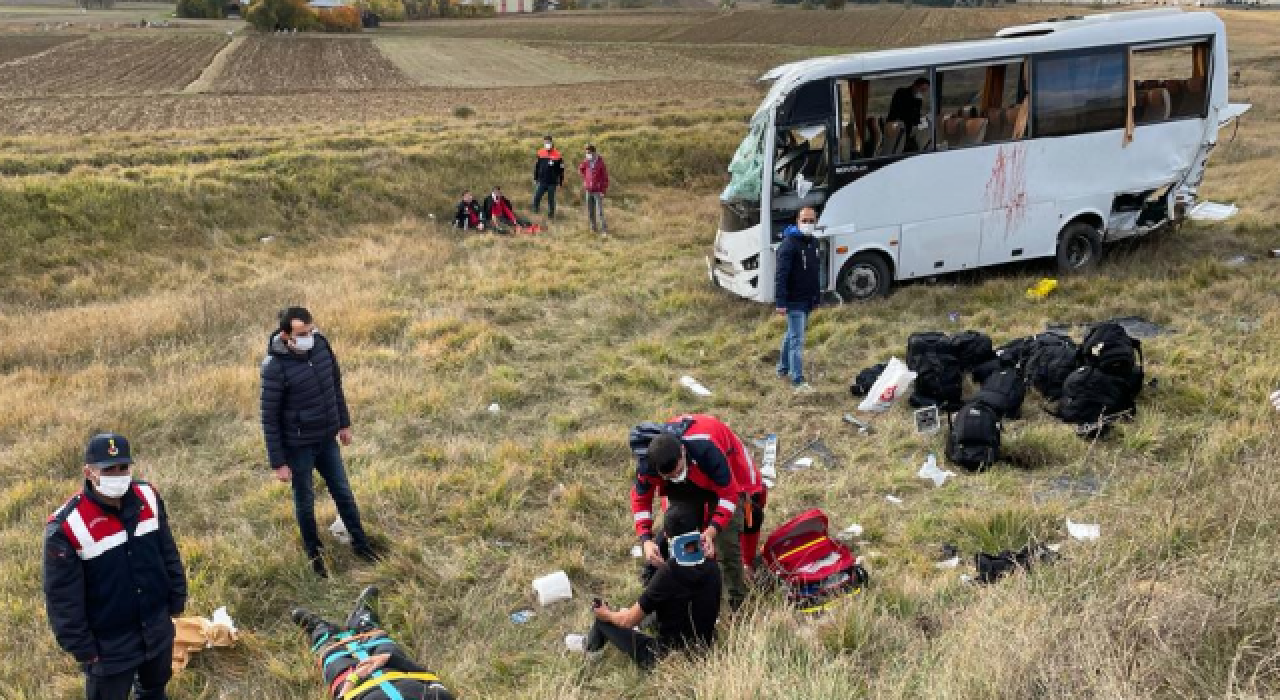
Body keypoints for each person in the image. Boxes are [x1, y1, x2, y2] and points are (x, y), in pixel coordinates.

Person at [43, 433, 188, 700]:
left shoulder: (149, 496)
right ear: (89, 472)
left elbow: (168, 550)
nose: (118, 475)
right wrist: (83, 648)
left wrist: (177, 597)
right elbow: (62, 598)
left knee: (155, 689)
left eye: (123, 467)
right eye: (108, 469)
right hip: (109, 644)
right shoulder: (66, 527)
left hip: (156, 626)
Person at [260, 306, 378, 577]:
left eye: (311, 330)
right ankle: (315, 557)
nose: (309, 337)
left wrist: (343, 424)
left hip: (326, 439)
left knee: (343, 492)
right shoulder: (274, 367)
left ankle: (361, 544)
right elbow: (269, 418)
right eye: (302, 333)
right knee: (305, 502)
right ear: (286, 335)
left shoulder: (321, 346)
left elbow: (334, 385)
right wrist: (278, 462)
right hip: (298, 447)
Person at [630, 414, 767, 611]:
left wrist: (712, 530)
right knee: (677, 521)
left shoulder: (708, 450)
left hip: (722, 472)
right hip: (691, 473)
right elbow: (641, 501)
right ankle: (686, 586)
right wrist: (646, 540)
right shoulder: (648, 467)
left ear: (683, 452)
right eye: (670, 476)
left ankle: (736, 602)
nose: (676, 477)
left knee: (728, 539)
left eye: (678, 471)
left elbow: (728, 497)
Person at [585, 502, 721, 669]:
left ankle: (590, 648)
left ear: (667, 536)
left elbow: (627, 621)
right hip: (703, 651)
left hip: (668, 660)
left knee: (603, 621)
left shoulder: (668, 573)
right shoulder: (713, 567)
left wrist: (607, 615)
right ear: (698, 531)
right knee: (653, 609)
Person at [293, 586, 454, 700]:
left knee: (332, 655)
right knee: (381, 641)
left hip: (354, 684)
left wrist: (352, 680)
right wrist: (388, 659)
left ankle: (319, 629)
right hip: (394, 668)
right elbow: (431, 678)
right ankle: (363, 619)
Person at [775, 207, 823, 393]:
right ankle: (797, 380)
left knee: (791, 335)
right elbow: (781, 275)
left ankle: (782, 368)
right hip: (794, 300)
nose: (808, 224)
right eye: (805, 220)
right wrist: (780, 302)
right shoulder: (788, 245)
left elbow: (814, 273)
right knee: (797, 340)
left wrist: (816, 298)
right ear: (797, 220)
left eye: (811, 221)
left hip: (808, 299)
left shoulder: (814, 243)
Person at [887, 77, 930, 152]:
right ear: (915, 86)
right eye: (922, 90)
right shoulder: (901, 92)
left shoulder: (918, 98)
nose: (923, 92)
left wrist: (922, 119)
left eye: (925, 91)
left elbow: (916, 116)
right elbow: (901, 112)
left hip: (908, 129)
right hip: (896, 127)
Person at [578, 143, 610, 236]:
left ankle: (604, 230)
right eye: (586, 152)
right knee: (590, 211)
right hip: (588, 190)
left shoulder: (600, 163)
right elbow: (581, 170)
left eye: (589, 152)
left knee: (600, 212)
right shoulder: (587, 162)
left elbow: (605, 178)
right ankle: (593, 229)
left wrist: (603, 191)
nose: (587, 154)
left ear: (594, 152)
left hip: (597, 191)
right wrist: (586, 179)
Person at [532, 135, 565, 220]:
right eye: (545, 142)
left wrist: (560, 182)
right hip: (542, 181)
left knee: (551, 200)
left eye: (548, 142)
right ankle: (535, 214)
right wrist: (535, 178)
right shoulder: (540, 152)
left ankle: (551, 216)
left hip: (552, 182)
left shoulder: (558, 154)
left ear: (551, 142)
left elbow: (561, 169)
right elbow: (537, 166)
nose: (547, 144)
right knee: (536, 198)